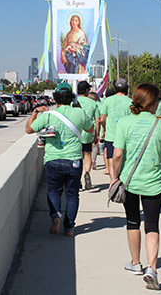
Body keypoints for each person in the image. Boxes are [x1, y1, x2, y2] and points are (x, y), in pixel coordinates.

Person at [109, 83, 161, 290]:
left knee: (132, 221)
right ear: (153, 103)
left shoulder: (124, 123)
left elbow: (117, 155)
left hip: (129, 181)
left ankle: (135, 263)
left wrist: (114, 177)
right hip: (154, 182)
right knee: (152, 224)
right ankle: (152, 268)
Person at [25, 82, 94, 236]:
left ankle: (56, 216)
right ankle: (69, 228)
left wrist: (36, 111)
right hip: (74, 161)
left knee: (53, 191)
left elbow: (29, 129)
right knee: (72, 194)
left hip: (52, 160)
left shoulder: (49, 115)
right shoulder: (79, 113)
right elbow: (90, 129)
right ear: (71, 97)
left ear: (55, 98)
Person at [100, 79, 131, 176]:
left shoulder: (107, 100)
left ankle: (113, 179)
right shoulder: (130, 101)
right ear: (126, 88)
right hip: (126, 136)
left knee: (111, 157)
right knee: (124, 158)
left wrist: (104, 129)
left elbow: (102, 119)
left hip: (110, 135)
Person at [77, 81, 100, 190]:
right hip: (88, 133)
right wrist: (97, 135)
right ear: (86, 91)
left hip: (75, 133)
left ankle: (78, 180)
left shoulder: (74, 102)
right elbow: (97, 120)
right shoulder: (93, 103)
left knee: (77, 157)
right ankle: (87, 173)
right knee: (87, 155)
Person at [101, 88, 116, 174]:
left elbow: (102, 119)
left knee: (108, 152)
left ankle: (108, 170)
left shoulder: (105, 102)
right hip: (121, 133)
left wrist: (103, 130)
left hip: (109, 133)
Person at [87, 91, 100, 170]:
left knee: (85, 148)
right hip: (93, 128)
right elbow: (97, 120)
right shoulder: (95, 104)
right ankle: (93, 160)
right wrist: (97, 134)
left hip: (83, 128)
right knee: (95, 145)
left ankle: (86, 162)